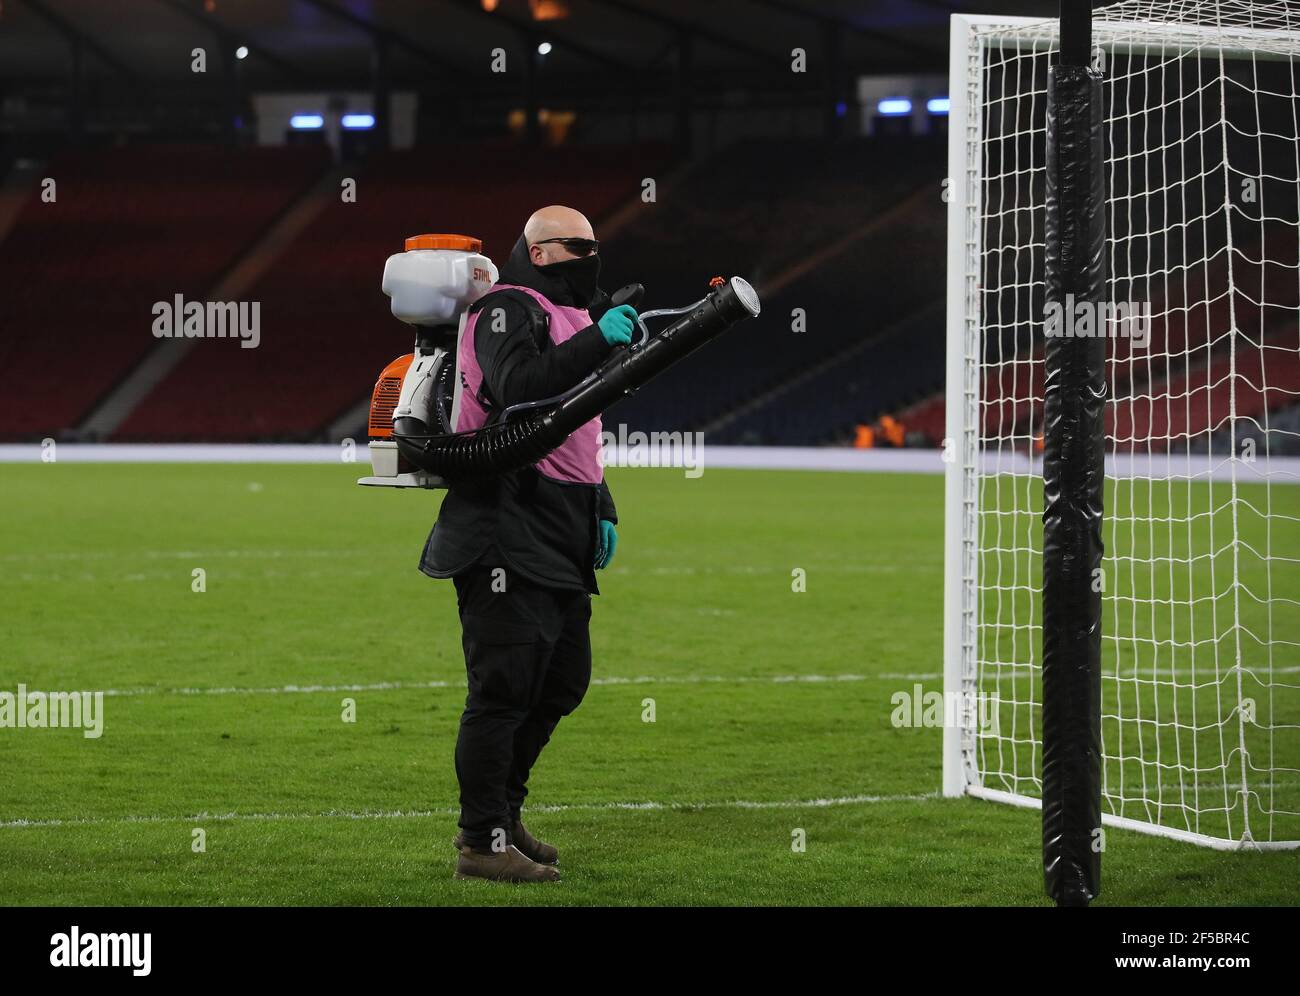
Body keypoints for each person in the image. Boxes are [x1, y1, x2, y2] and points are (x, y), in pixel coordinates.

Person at [418, 205, 638, 883]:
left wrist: (601, 504)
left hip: (561, 522)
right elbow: (519, 390)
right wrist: (601, 338)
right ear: (540, 253)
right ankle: (480, 842)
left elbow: (580, 431)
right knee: (504, 688)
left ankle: (503, 815)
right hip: (504, 520)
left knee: (563, 681)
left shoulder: (573, 316)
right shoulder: (506, 307)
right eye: (579, 246)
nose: (592, 257)